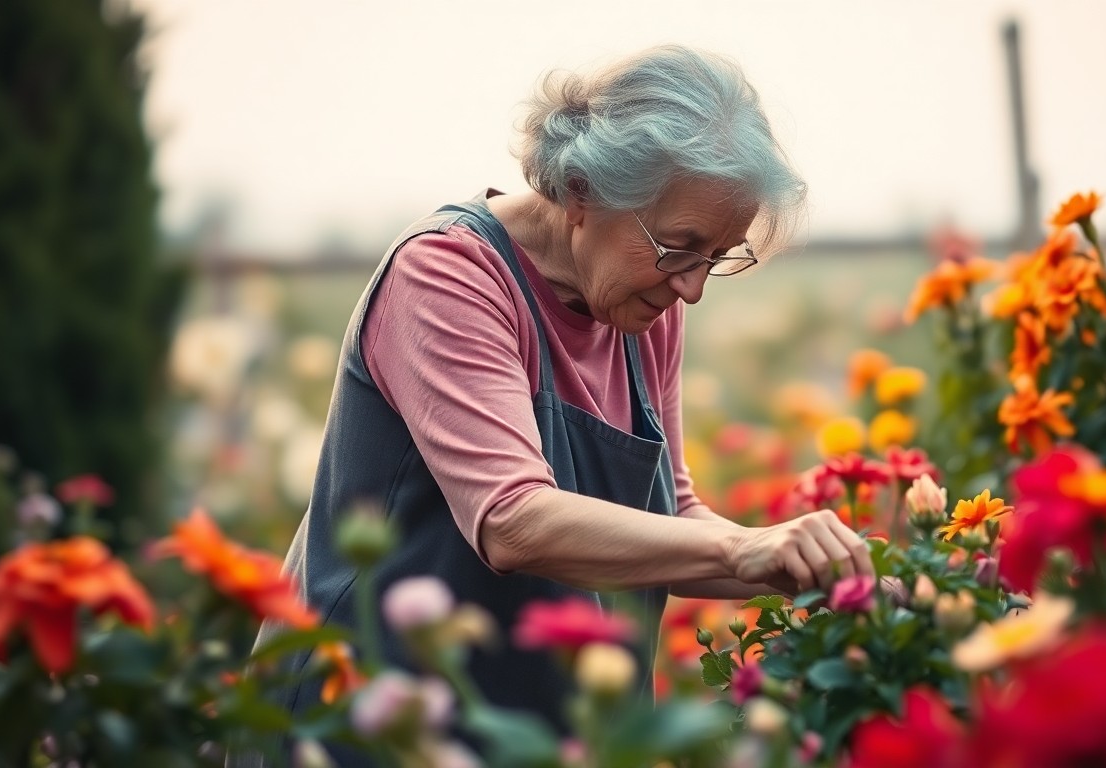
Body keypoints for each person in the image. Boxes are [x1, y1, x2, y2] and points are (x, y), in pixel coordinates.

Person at [263, 43, 873, 750]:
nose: (692, 287)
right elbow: (512, 520)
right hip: (373, 728)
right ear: (582, 190)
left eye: (717, 256)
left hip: (536, 733)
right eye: (680, 246)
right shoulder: (449, 276)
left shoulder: (643, 308)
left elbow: (670, 516)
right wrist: (745, 549)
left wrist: (815, 569)